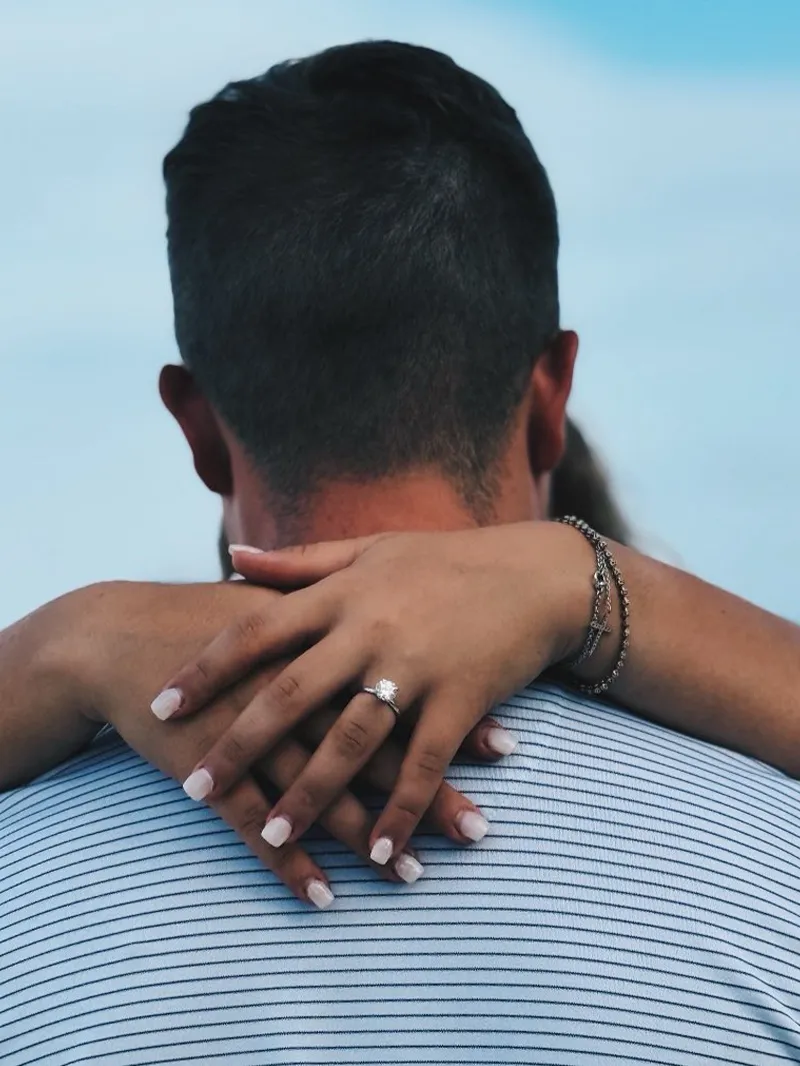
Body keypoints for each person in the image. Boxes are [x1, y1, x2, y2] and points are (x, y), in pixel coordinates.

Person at [2, 40, 800, 1066]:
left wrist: (60, 646)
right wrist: (583, 578)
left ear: (197, 429)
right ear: (549, 402)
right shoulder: (770, 867)